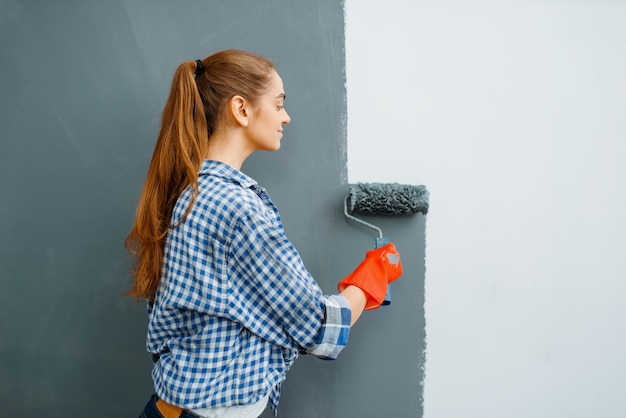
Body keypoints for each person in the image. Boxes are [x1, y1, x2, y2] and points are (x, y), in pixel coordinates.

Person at [125, 49, 403, 418]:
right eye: (278, 104)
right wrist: (371, 279)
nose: (286, 117)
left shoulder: (188, 192)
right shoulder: (238, 208)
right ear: (241, 109)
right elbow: (316, 328)